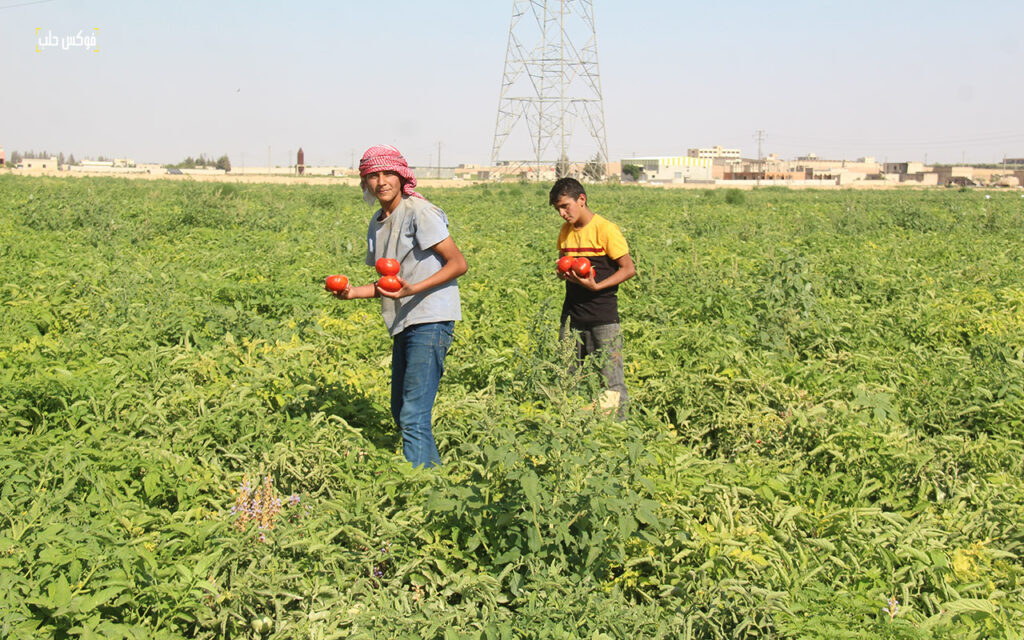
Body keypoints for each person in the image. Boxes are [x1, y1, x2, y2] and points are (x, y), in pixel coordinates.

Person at [330, 144, 467, 468]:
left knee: (412, 413)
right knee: (401, 410)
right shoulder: (377, 222)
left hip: (431, 317)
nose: (381, 181)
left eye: (388, 173)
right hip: (405, 320)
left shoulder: (420, 212)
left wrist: (413, 289)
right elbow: (389, 284)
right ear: (365, 182)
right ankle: (433, 477)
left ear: (401, 176)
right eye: (373, 175)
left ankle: (421, 486)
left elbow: (458, 263)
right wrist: (352, 293)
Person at [550, 177, 635, 417]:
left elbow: (628, 269)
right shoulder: (565, 232)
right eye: (558, 209)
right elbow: (564, 264)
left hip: (603, 318)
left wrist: (597, 286)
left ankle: (617, 428)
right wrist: (562, 273)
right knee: (567, 377)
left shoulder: (606, 229)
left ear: (581, 199)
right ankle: (571, 423)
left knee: (611, 381)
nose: (562, 214)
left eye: (565, 206)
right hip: (572, 317)